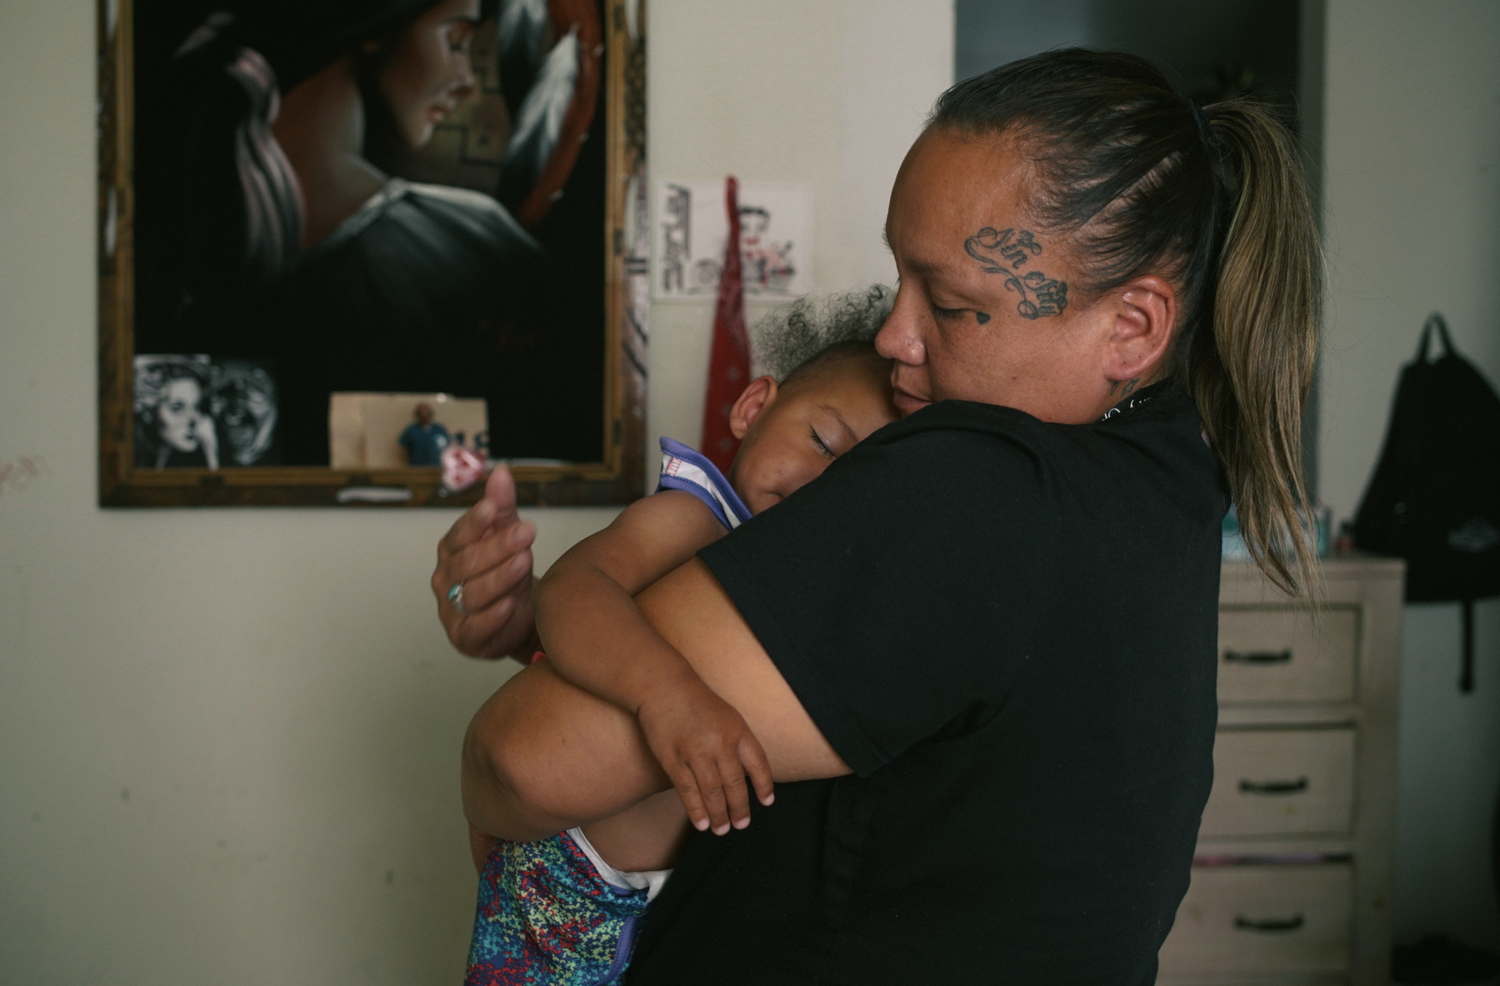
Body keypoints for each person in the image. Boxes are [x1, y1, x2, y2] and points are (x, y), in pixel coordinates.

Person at [436, 48, 1320, 983]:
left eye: (948, 303)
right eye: (900, 278)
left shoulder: (978, 481)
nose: (894, 338)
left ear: (1132, 326)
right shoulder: (1166, 473)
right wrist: (536, 623)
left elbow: (517, 758)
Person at [463, 335, 900, 986]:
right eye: (824, 444)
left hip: (660, 907)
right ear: (754, 407)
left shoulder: (815, 595)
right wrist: (666, 693)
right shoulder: (698, 518)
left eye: (854, 485)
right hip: (569, 887)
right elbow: (573, 588)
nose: (821, 487)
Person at [140, 0, 596, 465]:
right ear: (378, 26)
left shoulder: (179, 224)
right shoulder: (465, 246)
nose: (466, 80)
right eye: (456, 41)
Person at [399, 402, 451, 466]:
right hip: (416, 468)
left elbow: (448, 447)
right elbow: (403, 448)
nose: (424, 414)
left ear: (431, 413)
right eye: (421, 412)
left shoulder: (439, 429)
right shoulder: (411, 430)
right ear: (417, 414)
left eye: (426, 411)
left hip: (436, 468)